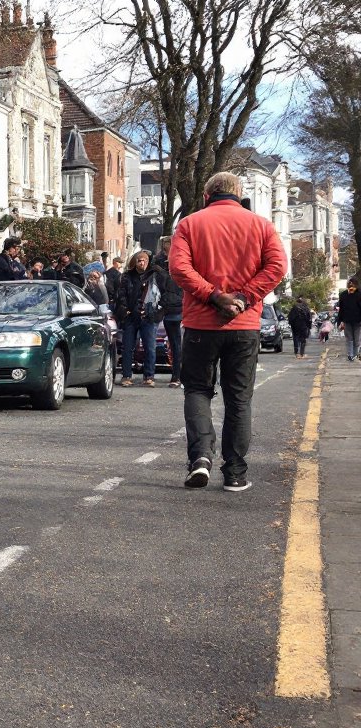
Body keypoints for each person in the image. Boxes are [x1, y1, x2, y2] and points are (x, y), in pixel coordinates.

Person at [167, 171, 287, 492]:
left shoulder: (190, 224)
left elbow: (179, 268)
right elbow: (276, 267)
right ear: (239, 193)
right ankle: (235, 473)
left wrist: (213, 295)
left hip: (199, 324)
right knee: (239, 399)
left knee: (197, 390)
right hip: (245, 325)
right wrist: (245, 298)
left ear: (207, 196)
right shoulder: (261, 225)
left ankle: (201, 459)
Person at [114, 250, 168, 387]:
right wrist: (125, 312)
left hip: (148, 317)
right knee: (128, 348)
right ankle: (126, 375)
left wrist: (157, 313)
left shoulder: (154, 276)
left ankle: (149, 376)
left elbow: (164, 294)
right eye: (139, 260)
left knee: (150, 348)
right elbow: (121, 295)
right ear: (135, 262)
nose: (142, 263)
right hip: (131, 316)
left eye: (144, 260)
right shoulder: (127, 276)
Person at [151, 236, 184, 387]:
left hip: (178, 309)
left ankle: (178, 375)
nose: (167, 247)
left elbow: (173, 287)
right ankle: (176, 375)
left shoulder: (181, 263)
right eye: (165, 244)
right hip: (168, 310)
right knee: (174, 344)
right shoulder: (158, 262)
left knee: (178, 344)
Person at [340, 278, 361, 361]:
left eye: (352, 284)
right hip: (348, 320)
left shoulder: (359, 294)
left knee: (356, 339)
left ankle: (354, 354)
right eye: (350, 284)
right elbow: (341, 309)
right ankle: (351, 354)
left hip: (357, 321)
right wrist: (341, 320)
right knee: (350, 338)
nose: (351, 286)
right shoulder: (343, 295)